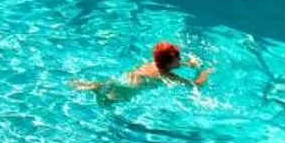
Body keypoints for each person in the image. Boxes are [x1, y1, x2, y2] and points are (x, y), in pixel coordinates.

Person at [73, 41, 211, 105]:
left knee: (112, 85)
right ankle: (97, 88)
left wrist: (190, 63)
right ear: (169, 63)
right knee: (107, 103)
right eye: (178, 58)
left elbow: (170, 64)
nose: (181, 60)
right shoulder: (167, 76)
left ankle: (97, 86)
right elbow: (197, 85)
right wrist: (206, 72)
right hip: (129, 89)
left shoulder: (155, 63)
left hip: (130, 77)